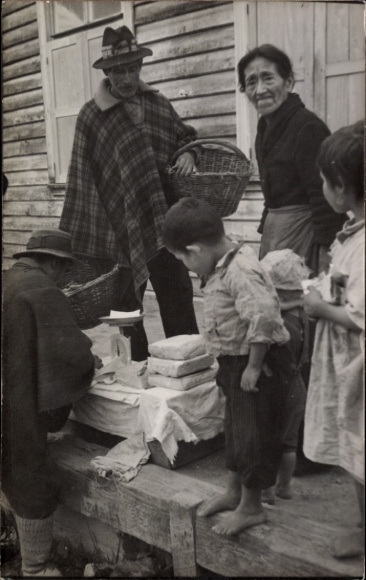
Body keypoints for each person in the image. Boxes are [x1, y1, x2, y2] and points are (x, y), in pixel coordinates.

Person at [59, 25, 199, 361]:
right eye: (119, 70)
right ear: (107, 71)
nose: (126, 78)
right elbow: (82, 178)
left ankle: (188, 367)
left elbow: (185, 136)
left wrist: (188, 153)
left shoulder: (156, 103)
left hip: (165, 221)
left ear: (140, 68)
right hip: (118, 227)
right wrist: (90, 238)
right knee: (125, 307)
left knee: (177, 293)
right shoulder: (91, 116)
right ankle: (135, 373)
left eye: (132, 69)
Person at [162, 197, 290, 536]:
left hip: (257, 367)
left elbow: (262, 316)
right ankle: (234, 493)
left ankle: (252, 507)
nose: (187, 268)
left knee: (253, 437)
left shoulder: (241, 270)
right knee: (234, 431)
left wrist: (253, 365)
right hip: (235, 365)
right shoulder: (221, 264)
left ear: (195, 250)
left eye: (183, 261)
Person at [2, 229, 98, 577]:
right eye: (65, 268)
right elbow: (70, 356)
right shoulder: (43, 289)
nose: (65, 276)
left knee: (9, 467)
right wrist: (91, 360)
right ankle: (35, 568)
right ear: (54, 263)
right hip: (18, 398)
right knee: (29, 469)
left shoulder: (9, 280)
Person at [303, 121, 364, 559]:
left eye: (324, 181)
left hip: (357, 363)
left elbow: (359, 314)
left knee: (362, 447)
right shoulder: (352, 231)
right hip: (347, 362)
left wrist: (320, 308)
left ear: (340, 188)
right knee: (355, 448)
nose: (322, 187)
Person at [237, 44, 346, 274]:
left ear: (288, 82)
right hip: (277, 233)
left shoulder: (307, 127)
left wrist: (326, 254)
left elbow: (325, 197)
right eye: (251, 82)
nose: (260, 90)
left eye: (268, 78)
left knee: (298, 303)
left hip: (305, 235)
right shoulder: (265, 128)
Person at [259, 250, 309, 503]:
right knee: (289, 442)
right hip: (297, 383)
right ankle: (285, 487)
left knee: (269, 440)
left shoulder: (276, 319)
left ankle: (267, 489)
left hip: (275, 384)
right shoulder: (303, 314)